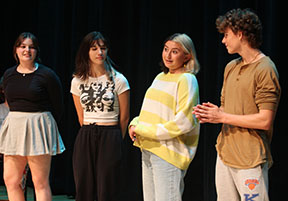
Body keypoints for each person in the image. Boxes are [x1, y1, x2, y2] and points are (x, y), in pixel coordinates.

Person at [193, 8, 281, 201]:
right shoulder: (231, 67)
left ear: (240, 34)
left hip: (250, 157)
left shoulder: (265, 68)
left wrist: (222, 116)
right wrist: (214, 113)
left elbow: (265, 120)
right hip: (225, 153)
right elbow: (228, 109)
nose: (223, 40)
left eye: (226, 35)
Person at [129, 33, 200, 201]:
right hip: (148, 148)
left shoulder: (187, 80)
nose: (168, 55)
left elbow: (184, 122)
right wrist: (135, 123)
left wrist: (144, 130)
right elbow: (150, 111)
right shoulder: (160, 77)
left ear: (187, 56)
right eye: (166, 49)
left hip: (168, 153)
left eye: (174, 51)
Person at [0, 32, 65, 201]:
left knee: (39, 182)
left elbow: (58, 105)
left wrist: (45, 126)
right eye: (23, 46)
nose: (27, 50)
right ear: (16, 50)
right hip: (15, 127)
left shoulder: (47, 75)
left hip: (38, 126)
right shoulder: (9, 75)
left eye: (31, 47)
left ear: (37, 51)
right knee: (11, 180)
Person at [70, 31, 130, 201]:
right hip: (87, 134)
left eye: (103, 48)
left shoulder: (119, 80)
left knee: (107, 187)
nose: (99, 52)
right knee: (84, 186)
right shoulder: (77, 81)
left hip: (110, 134)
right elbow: (81, 117)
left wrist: (116, 138)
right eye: (94, 48)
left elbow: (124, 117)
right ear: (86, 52)